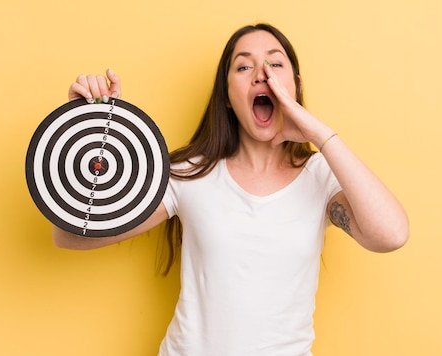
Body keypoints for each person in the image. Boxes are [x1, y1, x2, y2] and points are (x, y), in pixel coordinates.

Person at [54, 23, 409, 355]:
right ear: (226, 95)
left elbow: (391, 234)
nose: (262, 74)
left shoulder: (320, 177)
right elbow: (70, 234)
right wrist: (87, 125)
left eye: (275, 63)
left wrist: (319, 134)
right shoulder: (189, 173)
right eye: (243, 67)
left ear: (295, 87)